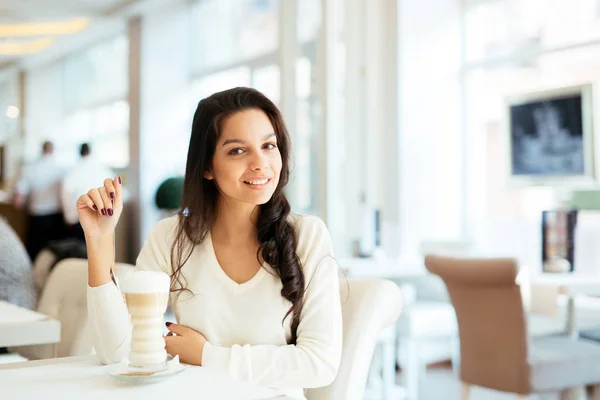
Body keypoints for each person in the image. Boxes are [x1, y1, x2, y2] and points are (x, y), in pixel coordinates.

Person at [81, 87, 342, 399]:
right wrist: (99, 241)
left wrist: (206, 355)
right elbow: (119, 352)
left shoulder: (308, 236)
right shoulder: (170, 238)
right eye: (237, 151)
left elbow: (319, 363)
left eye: (268, 145)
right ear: (206, 166)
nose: (260, 163)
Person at [13, 141, 68, 260]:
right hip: (56, 217)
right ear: (53, 150)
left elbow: (18, 201)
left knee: (35, 255)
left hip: (37, 218)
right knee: (55, 255)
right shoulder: (62, 170)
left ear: (41, 150)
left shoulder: (30, 169)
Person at [61, 143, 113, 241]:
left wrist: (68, 216)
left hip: (80, 217)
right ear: (91, 152)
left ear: (80, 153)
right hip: (101, 216)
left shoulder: (75, 169)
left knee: (81, 248)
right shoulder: (103, 168)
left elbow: (65, 192)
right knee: (99, 248)